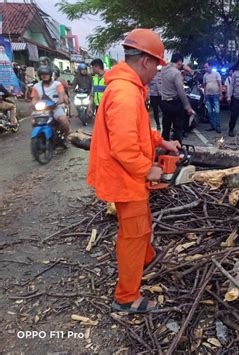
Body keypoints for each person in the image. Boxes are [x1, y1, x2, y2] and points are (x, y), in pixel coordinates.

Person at [87, 28, 181, 314]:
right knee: (135, 233)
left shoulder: (126, 88)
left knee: (141, 226)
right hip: (124, 175)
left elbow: (137, 131)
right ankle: (127, 297)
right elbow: (124, 147)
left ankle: (147, 257)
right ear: (146, 62)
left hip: (124, 173)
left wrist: (160, 140)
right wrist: (147, 169)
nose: (156, 73)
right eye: (156, 66)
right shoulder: (126, 92)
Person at [160, 52, 193, 143]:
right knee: (178, 128)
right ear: (179, 62)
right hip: (174, 104)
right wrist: (188, 107)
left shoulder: (163, 70)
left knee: (166, 127)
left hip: (164, 102)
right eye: (181, 63)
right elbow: (181, 92)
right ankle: (177, 149)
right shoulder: (176, 73)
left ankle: (164, 148)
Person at [31, 66, 70, 137]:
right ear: (39, 76)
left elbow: (61, 94)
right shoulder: (36, 86)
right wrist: (33, 104)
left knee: (64, 121)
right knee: (34, 122)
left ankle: (66, 136)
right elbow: (34, 99)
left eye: (46, 74)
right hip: (41, 110)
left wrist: (60, 101)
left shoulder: (57, 84)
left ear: (50, 75)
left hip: (55, 107)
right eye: (42, 74)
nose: (44, 76)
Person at [203, 62, 222, 133]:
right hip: (208, 95)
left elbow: (220, 84)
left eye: (206, 67)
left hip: (215, 95)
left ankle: (218, 126)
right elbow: (204, 86)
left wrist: (220, 94)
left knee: (216, 111)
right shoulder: (205, 75)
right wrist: (204, 96)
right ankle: (212, 126)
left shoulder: (216, 74)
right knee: (210, 111)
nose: (205, 68)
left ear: (210, 66)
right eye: (205, 67)